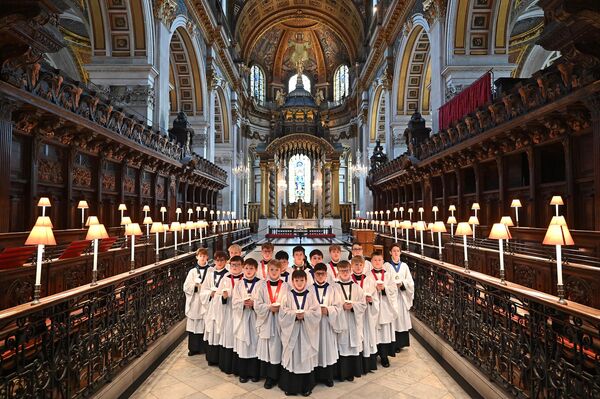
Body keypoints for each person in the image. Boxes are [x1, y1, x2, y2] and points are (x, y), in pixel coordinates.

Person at [278, 270, 321, 396]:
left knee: (305, 359)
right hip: (292, 333)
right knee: (293, 359)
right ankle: (290, 386)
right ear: (292, 282)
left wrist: (306, 315)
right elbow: (283, 312)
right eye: (296, 280)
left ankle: (306, 386)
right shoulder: (287, 296)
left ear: (306, 281)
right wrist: (295, 316)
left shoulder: (311, 295)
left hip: (307, 333)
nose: (299, 283)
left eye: (302, 280)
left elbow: (316, 312)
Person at [255, 259, 289, 389]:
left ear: (281, 271)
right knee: (269, 350)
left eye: (276, 270)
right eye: (271, 270)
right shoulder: (262, 286)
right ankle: (270, 377)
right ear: (268, 271)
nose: (274, 272)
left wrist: (281, 308)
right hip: (267, 321)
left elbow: (290, 303)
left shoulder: (286, 286)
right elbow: (257, 304)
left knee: (280, 348)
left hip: (281, 322)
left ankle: (280, 375)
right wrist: (269, 307)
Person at [310, 262, 342, 387]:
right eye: (318, 274)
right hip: (313, 326)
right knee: (315, 350)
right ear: (314, 275)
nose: (320, 276)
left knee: (327, 350)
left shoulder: (332, 288)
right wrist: (316, 312)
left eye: (322, 274)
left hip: (328, 325)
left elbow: (338, 306)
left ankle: (328, 377)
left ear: (326, 274)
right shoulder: (309, 289)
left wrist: (328, 310)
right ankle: (314, 377)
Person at [335, 260, 366, 381]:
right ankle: (341, 373)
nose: (344, 273)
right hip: (341, 321)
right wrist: (341, 307)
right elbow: (331, 304)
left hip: (353, 322)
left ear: (350, 271)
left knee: (352, 347)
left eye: (347, 270)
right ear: (338, 272)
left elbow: (363, 305)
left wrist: (353, 306)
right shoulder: (334, 287)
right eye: (342, 271)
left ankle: (351, 372)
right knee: (341, 347)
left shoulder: (357, 287)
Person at [232, 258, 261, 383]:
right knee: (244, 346)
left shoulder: (261, 284)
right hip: (243, 319)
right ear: (243, 268)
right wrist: (243, 303)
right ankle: (243, 373)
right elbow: (234, 302)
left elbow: (264, 301)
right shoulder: (239, 284)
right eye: (247, 268)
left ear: (256, 269)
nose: (249, 271)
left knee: (255, 345)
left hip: (255, 319)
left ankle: (254, 373)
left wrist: (255, 304)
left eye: (251, 268)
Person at [369, 250, 399, 367]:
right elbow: (365, 290)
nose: (377, 262)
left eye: (379, 260)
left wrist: (385, 288)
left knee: (385, 333)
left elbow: (393, 289)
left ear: (383, 261)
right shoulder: (368, 275)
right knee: (374, 332)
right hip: (373, 310)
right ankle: (373, 355)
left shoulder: (387, 274)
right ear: (371, 261)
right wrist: (374, 289)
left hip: (386, 307)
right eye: (375, 260)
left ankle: (384, 356)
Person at [351, 255, 379, 373]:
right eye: (356, 264)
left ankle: (366, 365)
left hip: (366, 315)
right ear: (352, 266)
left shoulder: (369, 279)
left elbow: (375, 298)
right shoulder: (348, 280)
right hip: (353, 315)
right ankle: (356, 367)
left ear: (364, 266)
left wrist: (371, 300)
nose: (358, 267)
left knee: (367, 337)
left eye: (360, 265)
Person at [384, 243, 414, 351]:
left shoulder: (404, 266)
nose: (396, 253)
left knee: (401, 319)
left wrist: (402, 284)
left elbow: (410, 282)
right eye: (394, 251)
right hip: (392, 298)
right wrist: (392, 286)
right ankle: (394, 343)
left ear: (400, 252)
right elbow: (385, 280)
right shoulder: (386, 266)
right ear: (390, 252)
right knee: (394, 319)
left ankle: (401, 343)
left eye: (398, 251)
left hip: (402, 296)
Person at [183, 248, 212, 356]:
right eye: (201, 256)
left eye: (204, 256)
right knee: (194, 326)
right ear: (197, 257)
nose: (203, 258)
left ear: (207, 257)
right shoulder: (192, 272)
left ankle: (204, 348)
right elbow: (186, 287)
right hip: (195, 301)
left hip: (206, 302)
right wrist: (194, 287)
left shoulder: (211, 270)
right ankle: (193, 348)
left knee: (205, 325)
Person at [218, 255, 244, 374]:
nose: (235, 267)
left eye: (237, 265)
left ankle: (239, 368)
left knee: (240, 339)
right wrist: (223, 298)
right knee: (229, 337)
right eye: (233, 265)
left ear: (242, 266)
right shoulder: (225, 278)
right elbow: (218, 295)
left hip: (242, 314)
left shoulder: (246, 279)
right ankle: (228, 366)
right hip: (228, 312)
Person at [203, 250, 230, 365]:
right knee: (212, 330)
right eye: (217, 260)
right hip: (211, 307)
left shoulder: (228, 275)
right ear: (214, 261)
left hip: (222, 308)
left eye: (222, 260)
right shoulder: (210, 275)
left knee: (221, 330)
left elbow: (229, 291)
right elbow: (203, 290)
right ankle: (211, 358)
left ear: (226, 261)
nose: (219, 262)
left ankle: (220, 358)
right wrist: (210, 293)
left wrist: (221, 296)